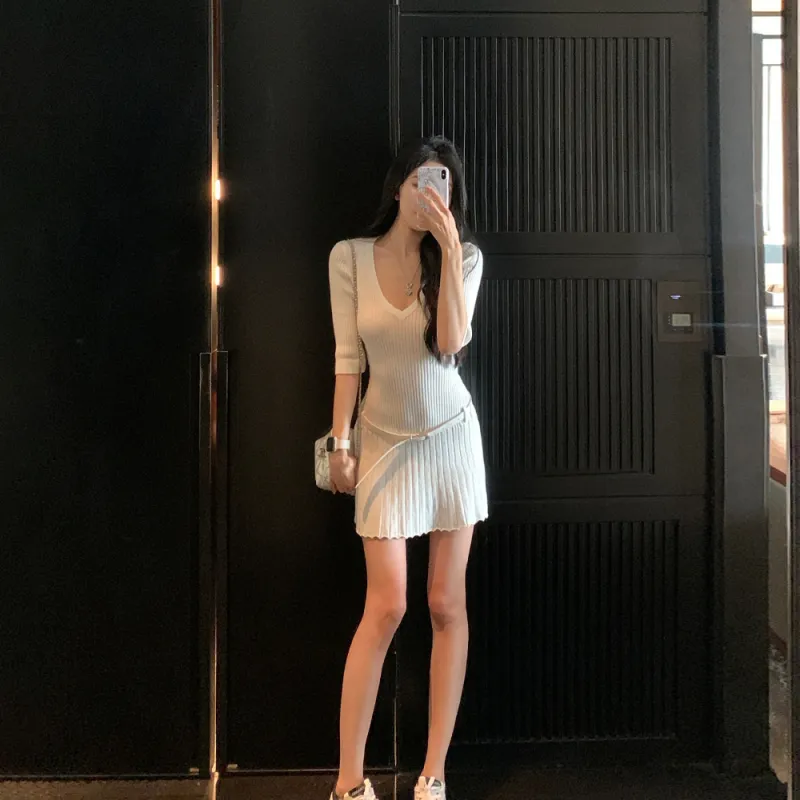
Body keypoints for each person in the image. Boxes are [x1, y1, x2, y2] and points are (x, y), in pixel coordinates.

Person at [326, 136, 489, 800]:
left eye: (443, 182)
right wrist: (338, 444)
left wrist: (448, 249)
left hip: (451, 440)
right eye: (422, 178)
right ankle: (348, 782)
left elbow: (450, 343)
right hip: (384, 444)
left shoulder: (465, 258)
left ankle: (433, 774)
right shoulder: (349, 258)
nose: (430, 192)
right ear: (399, 185)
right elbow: (348, 360)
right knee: (387, 604)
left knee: (446, 603)